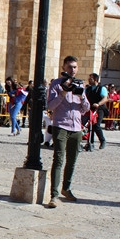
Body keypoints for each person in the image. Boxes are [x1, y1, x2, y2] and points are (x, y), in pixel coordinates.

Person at [46, 56, 90, 209]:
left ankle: (67, 188)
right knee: (58, 159)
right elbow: (50, 106)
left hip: (76, 128)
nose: (73, 70)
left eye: (75, 67)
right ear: (64, 67)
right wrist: (63, 93)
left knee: (72, 160)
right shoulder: (56, 84)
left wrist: (81, 96)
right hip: (61, 125)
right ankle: (54, 194)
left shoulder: (80, 84)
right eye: (70, 67)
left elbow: (86, 109)